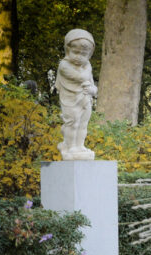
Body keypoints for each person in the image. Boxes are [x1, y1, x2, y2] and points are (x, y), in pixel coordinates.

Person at [56, 29, 97, 160]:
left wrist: (92, 90)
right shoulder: (64, 65)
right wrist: (87, 71)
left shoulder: (87, 66)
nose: (79, 57)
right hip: (70, 99)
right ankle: (70, 146)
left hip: (85, 99)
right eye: (75, 52)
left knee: (83, 124)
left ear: (89, 54)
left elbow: (93, 86)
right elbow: (81, 77)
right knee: (73, 123)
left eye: (84, 54)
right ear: (68, 50)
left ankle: (80, 146)